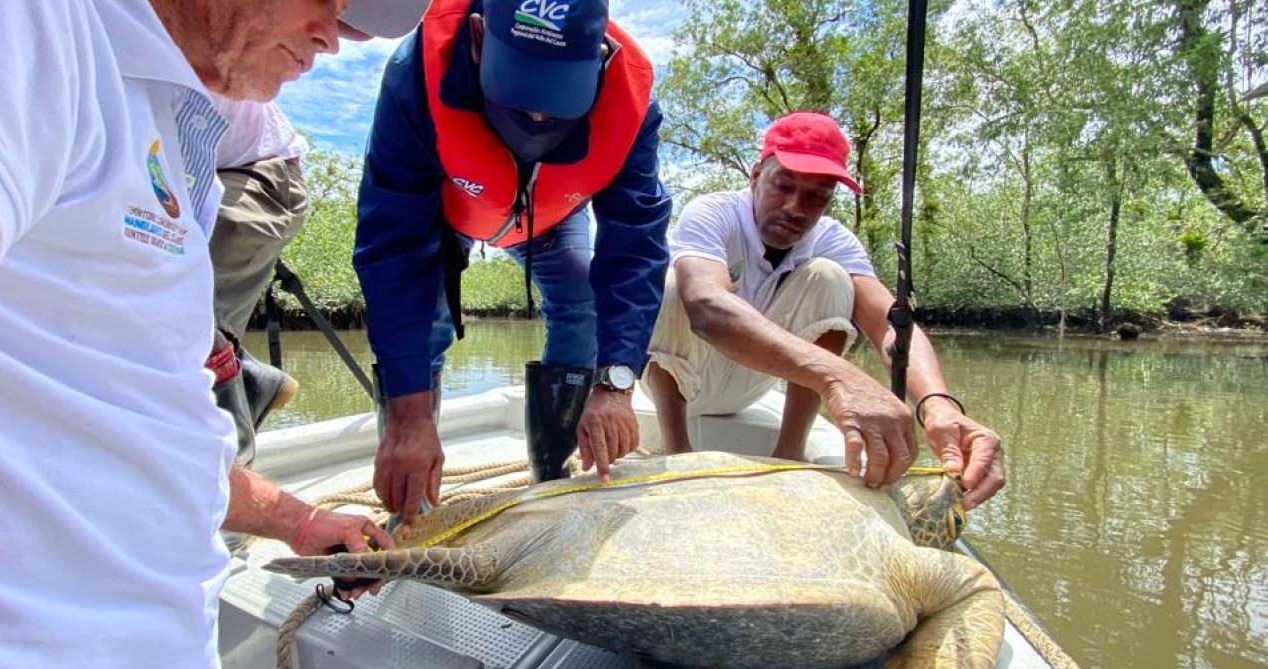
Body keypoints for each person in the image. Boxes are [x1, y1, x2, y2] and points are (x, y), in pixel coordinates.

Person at [0, 1, 428, 669]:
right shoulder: (18, 27)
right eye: (326, 1)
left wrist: (294, 519)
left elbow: (135, 416)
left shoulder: (171, 118)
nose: (331, 38)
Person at [353, 0, 671, 524]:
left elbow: (635, 247)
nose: (541, 117)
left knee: (580, 296)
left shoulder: (632, 102)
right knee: (423, 324)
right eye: (522, 97)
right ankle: (415, 501)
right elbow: (393, 249)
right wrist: (407, 417)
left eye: (560, 98)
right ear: (478, 38)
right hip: (448, 208)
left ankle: (552, 474)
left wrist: (615, 384)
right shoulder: (416, 74)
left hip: (550, 218)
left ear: (600, 54)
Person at [642, 112, 1006, 509]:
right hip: (676, 375)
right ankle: (676, 452)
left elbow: (890, 324)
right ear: (756, 175)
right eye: (783, 185)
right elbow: (706, 309)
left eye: (817, 195)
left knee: (831, 277)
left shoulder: (833, 239)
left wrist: (938, 405)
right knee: (675, 283)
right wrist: (840, 379)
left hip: (753, 382)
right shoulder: (714, 212)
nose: (796, 208)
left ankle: (789, 455)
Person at [206, 96, 310, 469]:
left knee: (171, 297)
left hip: (256, 170)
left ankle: (228, 477)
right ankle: (245, 377)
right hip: (188, 173)